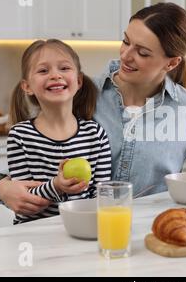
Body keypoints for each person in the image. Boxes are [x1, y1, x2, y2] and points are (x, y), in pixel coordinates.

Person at [0, 2, 186, 216]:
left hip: (149, 233)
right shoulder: (81, 93)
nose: (126, 55)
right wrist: (2, 187)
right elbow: (35, 151)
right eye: (126, 41)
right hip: (78, 231)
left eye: (143, 52)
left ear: (171, 62)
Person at [6, 39, 111, 223]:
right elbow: (24, 206)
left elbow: (103, 197)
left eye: (64, 68)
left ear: (78, 81)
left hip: (81, 229)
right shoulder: (20, 136)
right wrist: (57, 185)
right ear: (27, 86)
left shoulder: (96, 134)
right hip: (34, 235)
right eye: (43, 70)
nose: (55, 75)